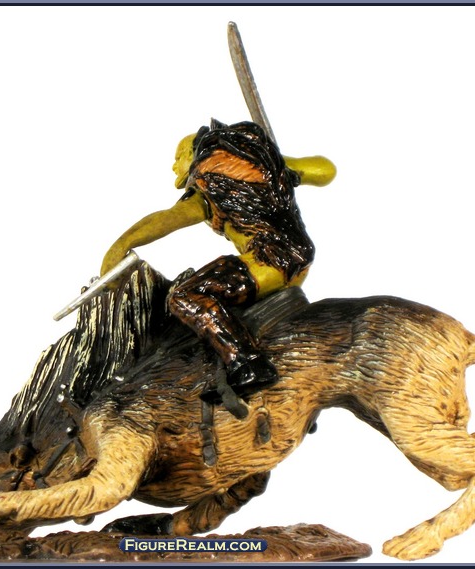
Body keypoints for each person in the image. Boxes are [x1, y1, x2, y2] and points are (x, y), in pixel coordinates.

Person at [101, 119, 335, 403]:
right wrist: (279, 163)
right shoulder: (263, 170)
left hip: (271, 259)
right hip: (297, 255)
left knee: (187, 296)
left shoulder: (209, 185)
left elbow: (167, 220)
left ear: (194, 154)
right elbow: (326, 170)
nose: (174, 167)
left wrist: (122, 245)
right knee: (223, 309)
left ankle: (248, 364)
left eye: (178, 157)